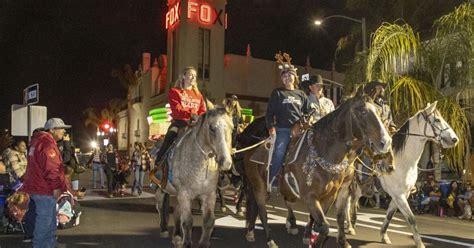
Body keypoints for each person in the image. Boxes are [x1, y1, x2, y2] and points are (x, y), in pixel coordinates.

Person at [266, 58, 312, 193]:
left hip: (301, 130)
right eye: (284, 76)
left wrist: (307, 119)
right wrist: (271, 127)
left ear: (295, 77)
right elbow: (269, 113)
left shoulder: (301, 94)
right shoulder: (278, 93)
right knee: (279, 152)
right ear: (282, 79)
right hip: (283, 129)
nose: (287, 78)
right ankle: (272, 178)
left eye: (289, 75)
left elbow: (308, 111)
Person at [22, 118, 70, 247]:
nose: (64, 131)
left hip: (38, 187)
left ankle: (49, 243)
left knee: (48, 219)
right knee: (45, 220)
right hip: (45, 189)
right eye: (61, 128)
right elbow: (52, 168)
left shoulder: (38, 141)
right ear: (52, 129)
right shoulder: (47, 144)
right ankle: (41, 245)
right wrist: (56, 187)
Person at [154, 66, 207, 164]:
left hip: (196, 124)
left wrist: (199, 117)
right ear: (183, 76)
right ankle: (159, 162)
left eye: (195, 76)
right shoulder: (175, 92)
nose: (193, 78)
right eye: (190, 75)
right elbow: (176, 109)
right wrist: (191, 114)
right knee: (170, 136)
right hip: (180, 123)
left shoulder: (199, 95)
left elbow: (203, 110)